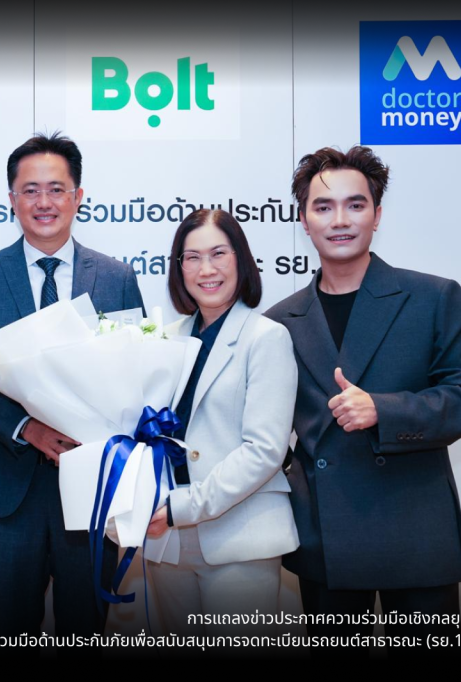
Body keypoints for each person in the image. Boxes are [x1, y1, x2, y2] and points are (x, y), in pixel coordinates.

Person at [264, 146, 461, 657]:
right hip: (325, 535)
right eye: (323, 207)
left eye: (355, 205)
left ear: (377, 214)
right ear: (303, 220)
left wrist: (383, 410)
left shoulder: (432, 297)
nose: (340, 220)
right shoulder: (279, 322)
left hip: (415, 530)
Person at [0, 131, 145, 641]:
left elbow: (136, 373)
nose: (44, 202)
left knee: (85, 635)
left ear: (78, 196)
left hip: (92, 490)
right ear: (12, 198)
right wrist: (30, 430)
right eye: (31, 190)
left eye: (57, 189)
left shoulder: (116, 278)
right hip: (8, 491)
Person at [145, 209, 299, 637]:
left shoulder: (266, 338)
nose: (206, 269)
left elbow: (264, 450)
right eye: (192, 258)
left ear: (240, 260)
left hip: (238, 537)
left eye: (218, 254)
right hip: (167, 542)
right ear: (179, 268)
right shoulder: (165, 338)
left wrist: (183, 508)